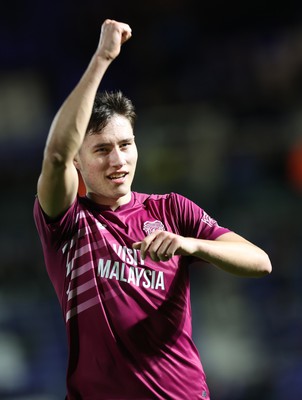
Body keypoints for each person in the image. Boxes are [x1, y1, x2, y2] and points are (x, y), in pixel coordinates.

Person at [33, 19, 272, 400]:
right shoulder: (68, 222)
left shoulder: (172, 210)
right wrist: (103, 57)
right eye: (102, 150)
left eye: (126, 145)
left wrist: (190, 245)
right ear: (79, 162)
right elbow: (57, 153)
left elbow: (259, 262)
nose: (118, 160)